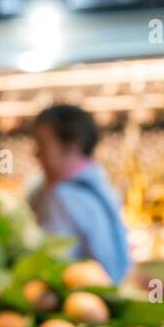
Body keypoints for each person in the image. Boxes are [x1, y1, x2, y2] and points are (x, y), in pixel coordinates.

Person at [29, 104, 131, 283]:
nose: (36, 153)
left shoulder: (65, 195)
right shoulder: (101, 185)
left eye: (42, 144)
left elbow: (51, 264)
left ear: (74, 144)